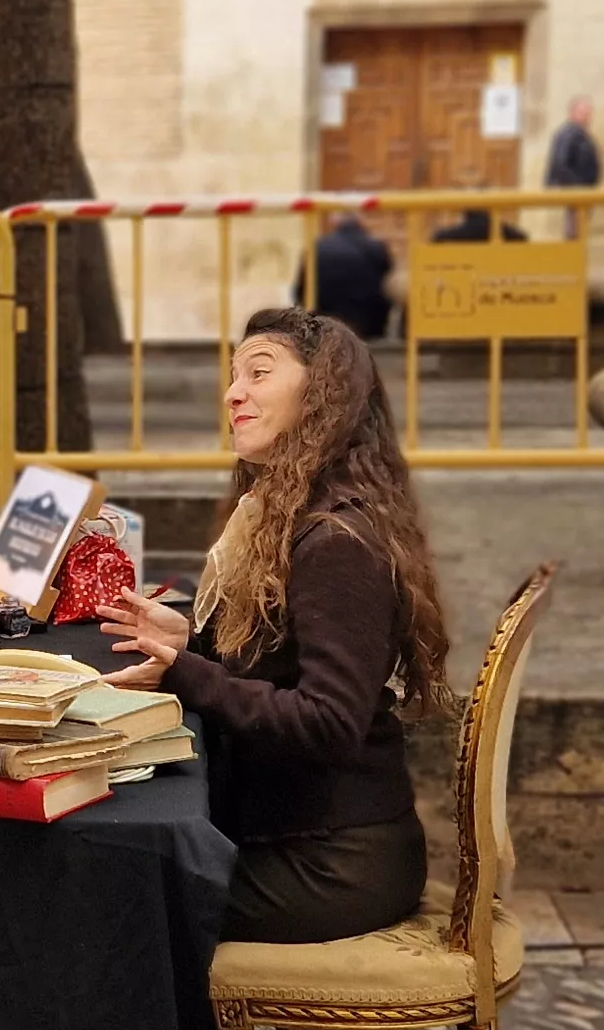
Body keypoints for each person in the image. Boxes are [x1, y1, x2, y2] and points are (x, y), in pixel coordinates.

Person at [104, 307, 452, 947]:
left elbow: (326, 722)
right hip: (306, 841)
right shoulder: (301, 513)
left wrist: (188, 674)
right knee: (111, 876)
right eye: (234, 376)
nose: (234, 393)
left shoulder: (337, 541)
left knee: (111, 900)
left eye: (259, 374)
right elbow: (280, 664)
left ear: (321, 394)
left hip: (334, 865)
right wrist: (191, 641)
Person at [296, 212, 394, 341]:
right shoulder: (375, 247)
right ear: (360, 221)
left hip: (323, 322)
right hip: (367, 324)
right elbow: (386, 282)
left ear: (334, 222)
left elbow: (301, 289)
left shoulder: (317, 247)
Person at [543, 95, 601, 241]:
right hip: (576, 191)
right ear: (573, 113)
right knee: (574, 230)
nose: (588, 117)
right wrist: (577, 186)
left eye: (589, 113)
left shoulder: (580, 134)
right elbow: (560, 163)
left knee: (579, 229)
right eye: (584, 113)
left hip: (583, 191)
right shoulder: (569, 134)